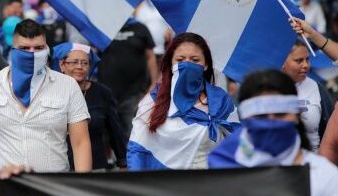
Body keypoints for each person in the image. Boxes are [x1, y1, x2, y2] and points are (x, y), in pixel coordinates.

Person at [208, 69, 338, 196]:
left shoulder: (324, 175)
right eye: (260, 115)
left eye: (279, 113)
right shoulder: (223, 173)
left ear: (295, 115)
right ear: (245, 119)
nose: (270, 121)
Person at [0, 19, 92, 172]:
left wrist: (82, 189)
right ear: (13, 49)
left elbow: (80, 143)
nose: (32, 54)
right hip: (5, 188)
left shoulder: (68, 86)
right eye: (24, 48)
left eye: (39, 48)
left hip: (54, 188)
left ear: (46, 48)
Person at [127, 33, 241, 170]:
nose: (187, 65)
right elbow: (137, 147)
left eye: (195, 60)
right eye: (180, 60)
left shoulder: (220, 101)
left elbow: (239, 144)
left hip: (208, 184)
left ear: (205, 65)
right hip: (164, 186)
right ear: (171, 64)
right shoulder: (153, 100)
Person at [53, 42, 127, 170]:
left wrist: (123, 164)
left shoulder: (102, 93)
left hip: (96, 169)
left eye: (85, 63)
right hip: (59, 170)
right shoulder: (50, 93)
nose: (80, 67)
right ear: (62, 65)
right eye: (74, 62)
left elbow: (116, 133)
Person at [97, 15, 158, 144]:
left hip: (134, 93)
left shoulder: (140, 28)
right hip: (105, 93)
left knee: (133, 134)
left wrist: (153, 83)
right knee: (103, 136)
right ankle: (110, 162)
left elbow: (150, 57)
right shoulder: (102, 27)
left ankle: (131, 163)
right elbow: (93, 54)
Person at [281, 40, 334, 152]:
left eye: (307, 59)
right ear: (282, 62)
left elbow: (332, 130)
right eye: (299, 60)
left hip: (314, 162)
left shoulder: (317, 87)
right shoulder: (267, 89)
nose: (305, 65)